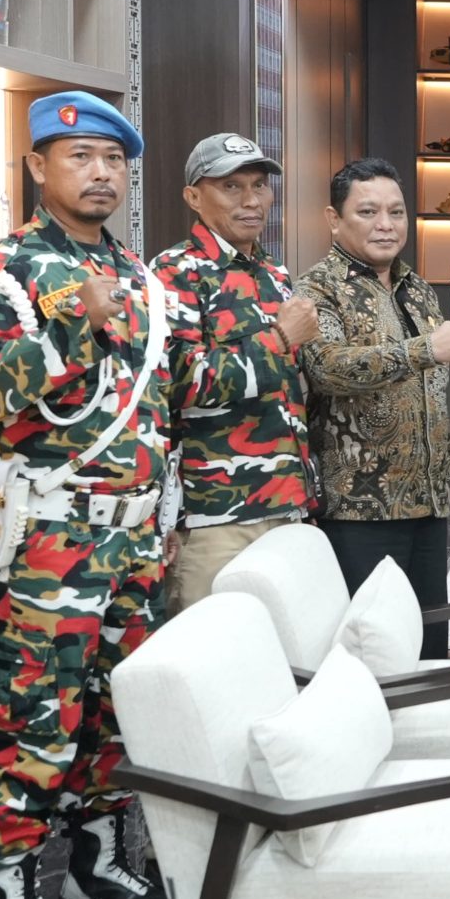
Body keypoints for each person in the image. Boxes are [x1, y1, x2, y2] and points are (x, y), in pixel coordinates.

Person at [0, 92, 174, 899]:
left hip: (134, 540)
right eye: (79, 157)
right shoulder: (2, 274)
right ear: (37, 165)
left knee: (114, 716)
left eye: (114, 160)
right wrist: (76, 322)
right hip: (48, 539)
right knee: (34, 724)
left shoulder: (135, 272)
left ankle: (95, 868)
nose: (101, 173)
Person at [296, 159, 450, 654]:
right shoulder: (317, 288)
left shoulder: (417, 288)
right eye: (368, 212)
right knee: (372, 650)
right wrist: (424, 349)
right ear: (334, 219)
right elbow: (327, 367)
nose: (386, 225)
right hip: (360, 508)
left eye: (396, 212)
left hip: (429, 502)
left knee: (429, 644)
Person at [150, 132, 320, 613]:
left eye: (259, 185)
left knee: (283, 646)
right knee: (213, 648)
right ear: (193, 197)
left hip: (286, 503)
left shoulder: (274, 272)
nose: (251, 201)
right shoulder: (173, 272)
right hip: (215, 514)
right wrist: (279, 339)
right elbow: (178, 384)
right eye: (231, 187)